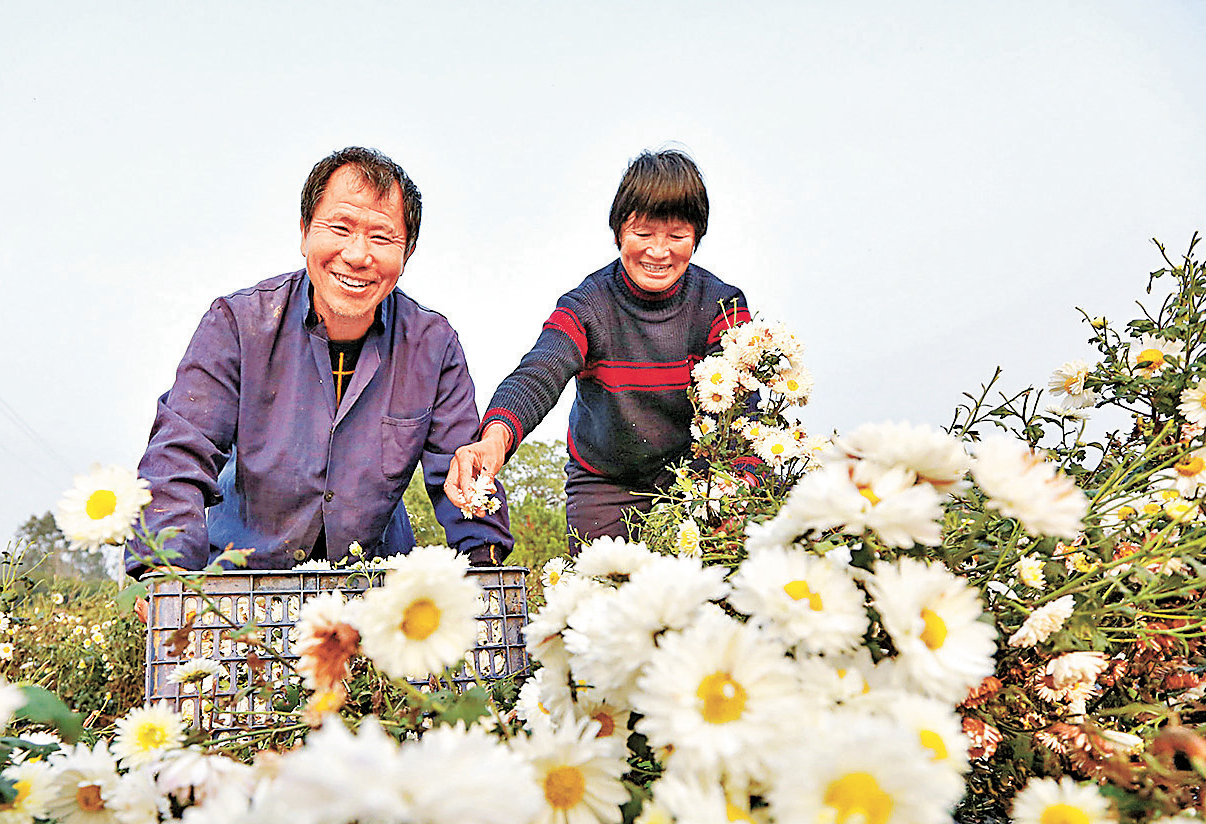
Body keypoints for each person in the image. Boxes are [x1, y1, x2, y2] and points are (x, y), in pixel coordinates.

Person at [127, 147, 512, 576]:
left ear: (408, 250)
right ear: (305, 231)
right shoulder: (238, 325)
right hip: (242, 582)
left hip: (373, 585)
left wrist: (486, 562)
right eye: (340, 228)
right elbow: (181, 454)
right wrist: (165, 571)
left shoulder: (432, 346)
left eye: (382, 237)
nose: (357, 255)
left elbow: (463, 473)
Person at [445, 150, 750, 552]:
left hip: (697, 481)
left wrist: (740, 488)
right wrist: (494, 440)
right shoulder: (587, 305)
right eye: (643, 233)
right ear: (619, 231)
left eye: (676, 235)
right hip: (605, 485)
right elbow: (540, 372)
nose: (658, 252)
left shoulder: (722, 307)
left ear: (697, 236)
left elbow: (748, 412)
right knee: (600, 601)